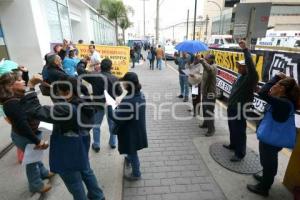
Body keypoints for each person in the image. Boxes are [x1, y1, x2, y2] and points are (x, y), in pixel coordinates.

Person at [22, 76, 106, 200]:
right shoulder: (84, 100)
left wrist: (30, 86)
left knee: (74, 182)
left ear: (65, 92)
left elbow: (36, 111)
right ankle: (98, 196)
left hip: (67, 151)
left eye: (58, 90)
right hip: (81, 145)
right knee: (86, 171)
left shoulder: (66, 109)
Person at [247, 74, 300, 197]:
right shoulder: (282, 100)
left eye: (276, 85)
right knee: (268, 162)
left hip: (271, 140)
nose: (273, 87)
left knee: (269, 163)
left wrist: (275, 78)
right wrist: (276, 83)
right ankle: (266, 178)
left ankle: (264, 188)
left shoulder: (283, 103)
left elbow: (263, 92)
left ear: (282, 88)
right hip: (272, 138)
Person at [0, 70, 52, 194]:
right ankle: (36, 185)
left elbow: (30, 102)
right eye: (19, 80)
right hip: (26, 135)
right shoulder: (11, 103)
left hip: (29, 132)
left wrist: (28, 78)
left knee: (35, 156)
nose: (23, 81)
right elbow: (23, 126)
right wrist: (37, 141)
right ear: (10, 86)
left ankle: (43, 173)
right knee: (32, 162)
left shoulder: (16, 95)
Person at [107, 72, 148, 181]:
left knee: (132, 150)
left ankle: (136, 174)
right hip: (137, 128)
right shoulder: (140, 94)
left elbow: (117, 118)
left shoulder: (129, 100)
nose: (122, 84)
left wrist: (109, 107)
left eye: (124, 82)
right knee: (131, 149)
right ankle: (129, 158)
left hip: (130, 131)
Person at [223, 40, 259, 162]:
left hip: (240, 109)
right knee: (232, 128)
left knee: (239, 131)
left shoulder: (251, 77)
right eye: (238, 66)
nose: (238, 68)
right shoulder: (240, 76)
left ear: (246, 68)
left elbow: (251, 66)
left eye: (240, 66)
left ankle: (240, 153)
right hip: (232, 107)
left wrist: (245, 49)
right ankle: (233, 145)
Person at [77, 58, 123, 152]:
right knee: (112, 124)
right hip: (111, 105)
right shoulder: (115, 78)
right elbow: (119, 92)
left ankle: (97, 144)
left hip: (98, 105)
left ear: (100, 66)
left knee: (96, 125)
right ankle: (113, 143)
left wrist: (83, 62)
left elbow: (80, 71)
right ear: (111, 67)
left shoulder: (95, 76)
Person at [199, 54, 217, 136]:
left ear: (212, 59)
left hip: (210, 94)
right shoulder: (207, 66)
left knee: (209, 111)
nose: (205, 59)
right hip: (205, 93)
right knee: (205, 109)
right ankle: (206, 123)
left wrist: (202, 60)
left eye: (207, 58)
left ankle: (211, 129)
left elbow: (209, 70)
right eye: (205, 58)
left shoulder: (213, 66)